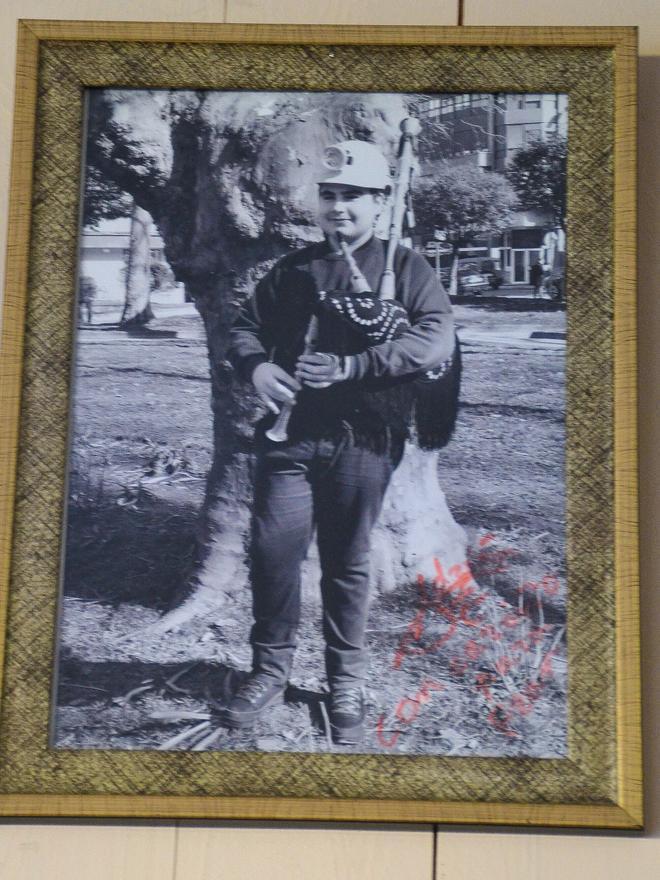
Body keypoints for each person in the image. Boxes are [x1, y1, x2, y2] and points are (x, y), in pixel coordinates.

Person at [226, 139, 454, 744]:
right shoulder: (292, 269)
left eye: (352, 196)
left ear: (379, 202)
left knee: (347, 564)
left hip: (364, 442)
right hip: (289, 440)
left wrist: (356, 368)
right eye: (328, 195)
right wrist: (256, 369)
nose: (338, 207)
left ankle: (343, 681)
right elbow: (244, 328)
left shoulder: (407, 269)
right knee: (274, 555)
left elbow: (435, 340)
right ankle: (269, 671)